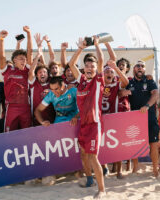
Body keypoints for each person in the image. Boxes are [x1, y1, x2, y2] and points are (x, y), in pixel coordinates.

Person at [68, 36, 106, 199]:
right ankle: (90, 180)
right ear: (84, 68)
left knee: (92, 156)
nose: (90, 68)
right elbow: (70, 64)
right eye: (87, 66)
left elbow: (102, 60)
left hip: (94, 124)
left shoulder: (98, 80)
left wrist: (97, 45)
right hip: (83, 123)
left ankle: (102, 190)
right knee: (83, 153)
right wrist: (81, 48)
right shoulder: (81, 80)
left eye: (93, 66)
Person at [126, 60, 160, 177]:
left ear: (145, 69)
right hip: (134, 120)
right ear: (133, 69)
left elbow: (156, 94)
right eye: (137, 65)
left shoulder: (150, 81)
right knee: (135, 144)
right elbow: (120, 93)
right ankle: (135, 168)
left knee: (153, 144)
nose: (140, 67)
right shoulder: (129, 83)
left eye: (142, 66)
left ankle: (155, 169)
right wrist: (123, 92)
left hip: (150, 118)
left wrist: (147, 105)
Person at [0, 26, 32, 132]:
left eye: (25, 59)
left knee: (26, 134)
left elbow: (30, 51)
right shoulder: (7, 70)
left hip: (25, 106)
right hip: (11, 107)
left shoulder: (26, 71)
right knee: (9, 135)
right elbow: (2, 57)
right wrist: (1, 39)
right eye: (21, 58)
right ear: (14, 60)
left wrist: (29, 34)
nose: (24, 61)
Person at [102, 60, 129, 179]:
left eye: (111, 72)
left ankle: (119, 171)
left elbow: (126, 81)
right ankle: (105, 168)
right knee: (102, 145)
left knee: (116, 145)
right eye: (106, 71)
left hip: (114, 117)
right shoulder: (98, 83)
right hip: (101, 118)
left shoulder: (116, 83)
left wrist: (116, 69)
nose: (109, 73)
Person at [28, 32, 56, 126]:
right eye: (40, 73)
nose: (42, 74)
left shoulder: (51, 82)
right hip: (36, 121)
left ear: (48, 74)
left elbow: (52, 58)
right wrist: (38, 53)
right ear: (36, 75)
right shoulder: (33, 83)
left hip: (52, 121)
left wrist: (48, 43)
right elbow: (31, 70)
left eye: (44, 72)